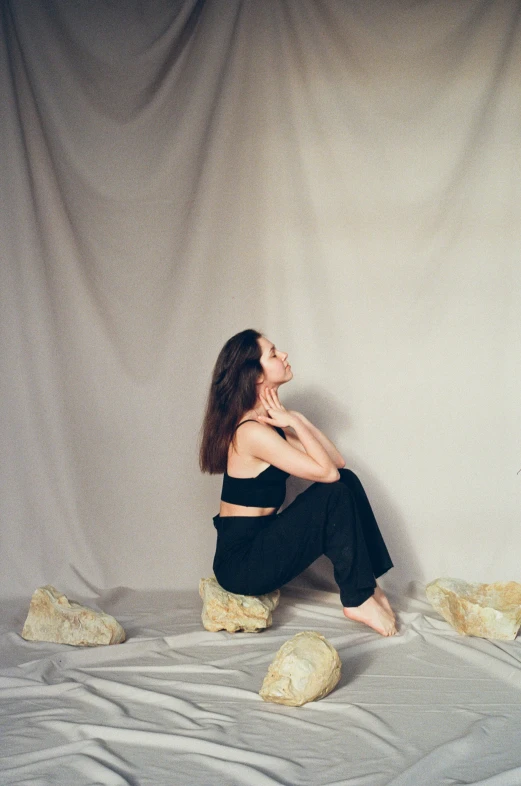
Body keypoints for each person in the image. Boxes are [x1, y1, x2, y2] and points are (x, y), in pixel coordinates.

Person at [200, 329, 397, 636]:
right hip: (242, 566)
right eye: (274, 354)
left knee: (347, 480)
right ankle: (356, 599)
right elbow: (327, 475)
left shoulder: (265, 423)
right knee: (334, 492)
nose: (284, 356)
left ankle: (367, 585)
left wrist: (296, 419)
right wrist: (291, 422)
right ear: (255, 376)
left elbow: (337, 463)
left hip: (261, 543)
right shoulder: (250, 432)